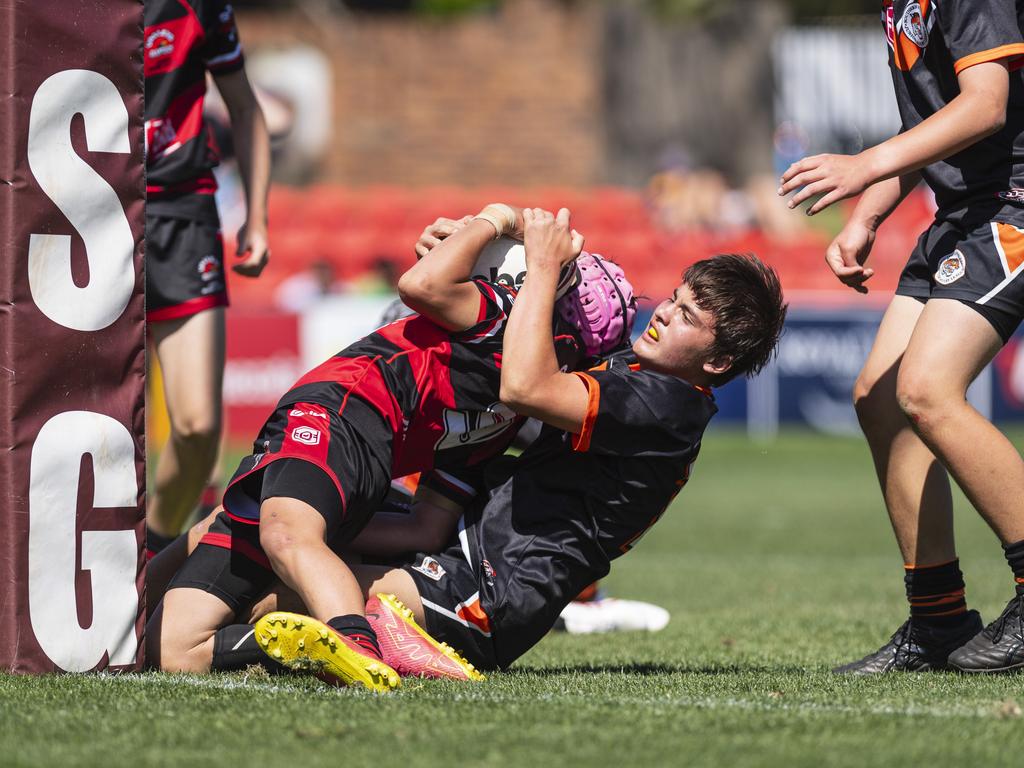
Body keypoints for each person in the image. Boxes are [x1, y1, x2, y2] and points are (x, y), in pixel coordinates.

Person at [246, 211, 786, 674]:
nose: (665, 313)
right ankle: (371, 637)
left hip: (493, 591)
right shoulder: (639, 371)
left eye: (687, 316)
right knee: (283, 553)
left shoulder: (668, 406)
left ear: (716, 363)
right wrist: (459, 252)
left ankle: (375, 643)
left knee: (273, 595)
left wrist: (545, 268)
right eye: (674, 299)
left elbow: (524, 387)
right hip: (460, 539)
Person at [146, 206, 636, 690]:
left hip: (337, 413)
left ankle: (358, 643)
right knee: (175, 650)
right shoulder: (507, 414)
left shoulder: (501, 321)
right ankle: (139, 604)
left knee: (283, 532)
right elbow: (426, 527)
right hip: (347, 448)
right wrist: (334, 533)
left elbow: (420, 286)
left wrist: (495, 217)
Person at [779, 1, 1024, 673]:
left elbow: (985, 105)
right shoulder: (902, 7)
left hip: (1011, 206)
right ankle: (938, 620)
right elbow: (928, 125)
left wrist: (864, 164)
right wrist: (867, 216)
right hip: (961, 213)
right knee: (881, 400)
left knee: (926, 390)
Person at [145, 0, 271, 556]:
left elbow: (245, 109)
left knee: (197, 430)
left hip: (182, 215)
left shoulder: (201, 7)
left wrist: (258, 218)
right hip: (80, 216)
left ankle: (150, 554)